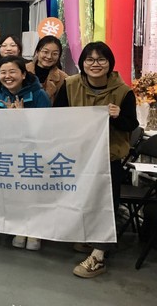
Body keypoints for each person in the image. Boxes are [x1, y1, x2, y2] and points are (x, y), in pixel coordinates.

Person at [53, 42, 138, 278]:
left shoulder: (124, 91)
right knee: (83, 199)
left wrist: (117, 116)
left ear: (110, 63)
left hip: (107, 157)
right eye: (89, 59)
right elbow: (57, 117)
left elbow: (131, 125)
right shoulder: (70, 85)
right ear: (82, 63)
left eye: (101, 59)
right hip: (77, 155)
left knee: (105, 203)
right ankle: (90, 239)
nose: (95, 64)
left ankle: (99, 255)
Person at [0, 55, 50, 250]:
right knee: (15, 192)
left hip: (33, 153)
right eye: (3, 72)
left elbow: (46, 128)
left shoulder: (39, 95)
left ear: (24, 74)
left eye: (12, 72)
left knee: (32, 192)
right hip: (8, 153)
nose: (7, 76)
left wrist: (22, 118)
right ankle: (19, 228)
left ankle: (34, 231)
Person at [26, 35, 67, 104]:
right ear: (37, 52)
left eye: (54, 54)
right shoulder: (23, 70)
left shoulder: (64, 79)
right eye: (45, 52)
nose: (49, 56)